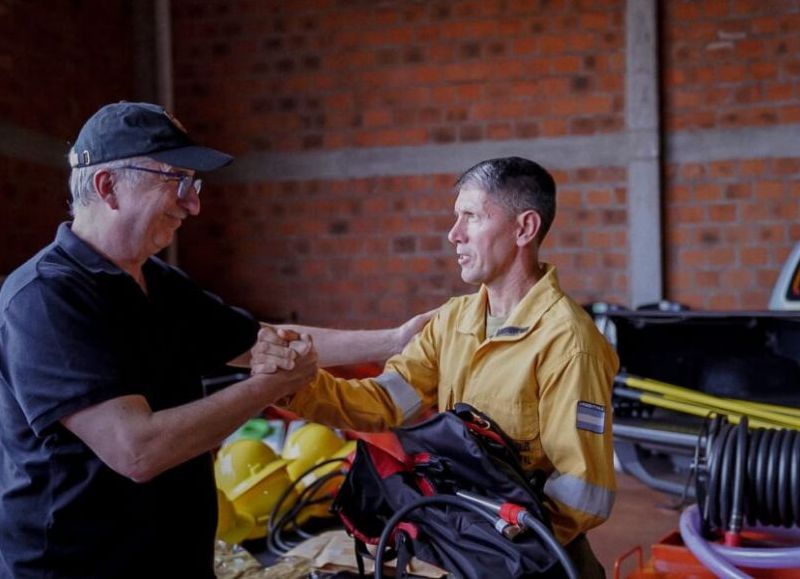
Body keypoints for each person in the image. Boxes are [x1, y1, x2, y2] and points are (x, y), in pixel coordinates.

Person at [0, 101, 430, 579]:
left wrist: (396, 340)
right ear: (108, 187)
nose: (193, 204)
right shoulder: (44, 299)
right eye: (176, 182)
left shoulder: (156, 281)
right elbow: (137, 451)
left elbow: (266, 341)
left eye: (194, 184)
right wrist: (267, 387)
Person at [254, 156, 620, 577]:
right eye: (455, 218)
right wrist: (294, 387)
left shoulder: (569, 342)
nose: (454, 234)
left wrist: (497, 547)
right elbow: (383, 401)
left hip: (535, 559)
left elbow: (583, 492)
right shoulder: (453, 320)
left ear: (524, 229)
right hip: (467, 539)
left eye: (471, 217)